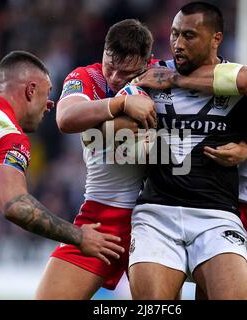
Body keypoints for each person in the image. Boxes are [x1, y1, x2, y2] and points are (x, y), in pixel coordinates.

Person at [128, 2, 247, 300]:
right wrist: (125, 131)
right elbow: (108, 116)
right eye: (174, 34)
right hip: (231, 205)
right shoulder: (153, 77)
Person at [0, 51, 124, 300]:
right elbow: (14, 204)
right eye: (48, 92)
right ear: (31, 90)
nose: (50, 104)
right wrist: (79, 236)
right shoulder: (9, 135)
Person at [35, 19, 160, 300]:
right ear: (103, 51)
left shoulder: (163, 76)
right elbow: (66, 118)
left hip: (156, 217)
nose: (114, 78)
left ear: (146, 61)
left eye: (126, 72)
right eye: (110, 66)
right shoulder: (86, 77)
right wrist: (120, 103)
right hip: (102, 217)